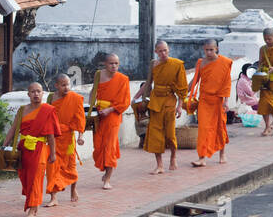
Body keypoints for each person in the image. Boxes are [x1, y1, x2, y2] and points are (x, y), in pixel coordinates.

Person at [4, 82, 58, 217]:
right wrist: (4, 145)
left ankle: (33, 210)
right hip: (23, 148)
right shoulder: (22, 110)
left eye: (39, 91)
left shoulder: (48, 110)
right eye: (33, 92)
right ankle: (32, 203)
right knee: (26, 178)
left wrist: (52, 153)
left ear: (42, 94)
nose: (36, 94)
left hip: (39, 148)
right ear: (28, 94)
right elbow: (13, 129)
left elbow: (51, 134)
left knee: (35, 179)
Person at [134, 40, 187, 174]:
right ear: (156, 52)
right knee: (155, 134)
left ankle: (173, 156)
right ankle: (159, 165)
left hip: (169, 101)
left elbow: (182, 88)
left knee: (169, 134)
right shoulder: (154, 64)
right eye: (160, 51)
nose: (163, 53)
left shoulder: (177, 64)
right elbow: (148, 83)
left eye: (165, 50)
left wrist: (180, 106)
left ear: (168, 50)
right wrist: (136, 98)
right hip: (155, 101)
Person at [189, 39, 232, 166]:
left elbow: (227, 83)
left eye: (211, 50)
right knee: (203, 129)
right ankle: (202, 158)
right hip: (204, 100)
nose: (209, 52)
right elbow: (195, 79)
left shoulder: (225, 62)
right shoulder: (201, 63)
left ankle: (222, 154)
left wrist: (226, 101)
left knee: (220, 127)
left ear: (216, 49)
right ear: (204, 49)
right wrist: (185, 90)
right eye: (206, 50)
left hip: (219, 100)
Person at [89, 54, 130, 190]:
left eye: (116, 64)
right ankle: (105, 170)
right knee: (99, 145)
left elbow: (125, 101)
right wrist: (91, 109)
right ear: (105, 64)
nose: (114, 66)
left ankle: (107, 178)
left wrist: (110, 109)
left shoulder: (123, 79)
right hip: (99, 114)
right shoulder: (98, 75)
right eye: (111, 63)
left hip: (113, 115)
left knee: (110, 146)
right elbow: (93, 92)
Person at [46, 74, 85, 206]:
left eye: (68, 84)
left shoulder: (75, 98)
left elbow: (80, 118)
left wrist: (80, 136)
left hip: (68, 138)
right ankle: (53, 197)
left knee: (70, 165)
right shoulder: (51, 98)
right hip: (53, 139)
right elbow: (46, 117)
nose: (66, 87)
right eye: (63, 85)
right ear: (56, 86)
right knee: (52, 167)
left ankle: (73, 190)